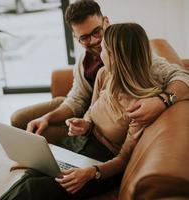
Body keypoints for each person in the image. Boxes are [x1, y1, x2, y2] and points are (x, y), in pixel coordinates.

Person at [0, 22, 178, 199]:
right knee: (30, 173)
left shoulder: (140, 106)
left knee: (32, 189)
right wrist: (85, 124)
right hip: (81, 143)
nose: (99, 54)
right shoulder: (104, 75)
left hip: (104, 164)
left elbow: (124, 159)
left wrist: (91, 173)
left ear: (115, 56)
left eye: (103, 50)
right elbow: (91, 111)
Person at [11, 0, 189, 148]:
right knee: (19, 119)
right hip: (84, 114)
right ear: (76, 38)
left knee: (31, 133)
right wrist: (47, 118)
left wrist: (163, 100)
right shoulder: (83, 62)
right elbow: (77, 99)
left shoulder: (131, 54)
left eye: (97, 31)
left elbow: (182, 76)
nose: (94, 41)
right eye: (84, 38)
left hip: (102, 123)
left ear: (106, 21)